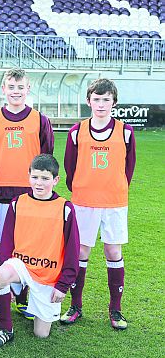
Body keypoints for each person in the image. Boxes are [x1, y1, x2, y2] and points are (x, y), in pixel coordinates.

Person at [61, 78, 135, 330]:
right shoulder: (76, 131)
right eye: (96, 99)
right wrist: (82, 187)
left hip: (114, 202)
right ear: (88, 101)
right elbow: (69, 166)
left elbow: (129, 167)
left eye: (106, 99)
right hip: (84, 201)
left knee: (113, 252)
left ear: (114, 102)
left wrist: (114, 188)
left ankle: (116, 310)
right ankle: (76, 306)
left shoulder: (125, 131)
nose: (101, 104)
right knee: (81, 253)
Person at [0, 154, 80, 347]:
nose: (39, 183)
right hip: (21, 265)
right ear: (28, 176)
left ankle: (36, 308)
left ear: (55, 180)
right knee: (0, 275)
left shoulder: (65, 208)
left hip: (48, 276)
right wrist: (10, 281)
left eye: (45, 179)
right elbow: (6, 243)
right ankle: (6, 328)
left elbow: (73, 250)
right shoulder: (17, 203)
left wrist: (63, 285)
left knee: (41, 334)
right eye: (35, 177)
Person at [0, 68, 54, 319]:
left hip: (29, 193)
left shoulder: (40, 119)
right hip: (0, 190)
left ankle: (23, 298)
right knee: (1, 245)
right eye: (11, 87)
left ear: (28, 89)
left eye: (20, 87)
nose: (15, 92)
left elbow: (46, 157)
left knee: (27, 246)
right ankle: (0, 295)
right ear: (4, 89)